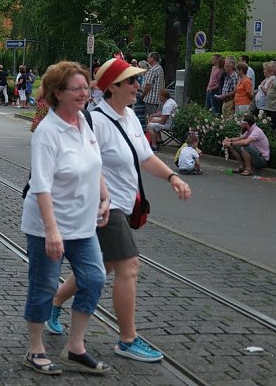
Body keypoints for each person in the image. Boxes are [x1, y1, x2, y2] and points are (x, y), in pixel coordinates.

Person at [46, 58, 191, 366]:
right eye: (132, 81)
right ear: (113, 86)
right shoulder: (95, 121)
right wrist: (99, 197)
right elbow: (82, 162)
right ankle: (127, 339)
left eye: (137, 80)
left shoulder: (130, 118)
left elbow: (146, 158)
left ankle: (54, 302)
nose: (138, 86)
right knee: (129, 266)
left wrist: (172, 177)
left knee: (104, 266)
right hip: (104, 207)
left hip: (125, 206)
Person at [21, 61, 109, 376]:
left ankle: (75, 347)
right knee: (44, 285)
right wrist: (52, 231)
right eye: (77, 89)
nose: (84, 93)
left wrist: (105, 197)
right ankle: (35, 348)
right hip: (48, 225)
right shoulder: (47, 132)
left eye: (86, 87)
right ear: (58, 93)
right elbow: (41, 185)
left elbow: (94, 163)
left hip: (82, 224)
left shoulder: (84, 120)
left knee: (94, 278)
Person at [141, 52, 164, 117]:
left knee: (151, 117)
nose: (147, 59)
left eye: (149, 58)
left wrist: (143, 95)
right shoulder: (160, 68)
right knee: (156, 117)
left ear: (152, 58)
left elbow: (148, 85)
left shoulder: (152, 70)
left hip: (150, 99)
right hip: (157, 98)